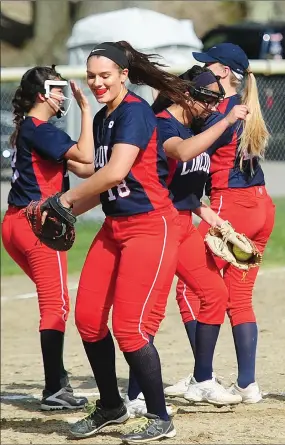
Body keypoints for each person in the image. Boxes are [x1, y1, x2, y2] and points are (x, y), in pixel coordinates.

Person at [60, 41, 191, 443]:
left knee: (130, 329)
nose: (98, 82)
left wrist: (63, 199)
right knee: (86, 320)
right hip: (115, 228)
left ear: (123, 75)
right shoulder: (104, 117)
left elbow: (116, 173)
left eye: (105, 75)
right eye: (92, 76)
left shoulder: (134, 112)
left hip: (151, 227)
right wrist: (62, 212)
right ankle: (111, 406)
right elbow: (106, 188)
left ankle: (159, 416)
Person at [124, 66, 249, 413]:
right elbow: (180, 153)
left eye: (216, 101)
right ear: (185, 96)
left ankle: (202, 380)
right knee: (151, 312)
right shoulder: (163, 124)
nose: (212, 107)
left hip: (182, 225)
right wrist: (225, 122)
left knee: (215, 294)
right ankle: (134, 398)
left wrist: (212, 217)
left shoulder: (190, 126)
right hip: (157, 227)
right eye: (207, 99)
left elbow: (182, 189)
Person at [165, 43, 276, 404]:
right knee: (238, 297)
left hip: (230, 205)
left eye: (209, 66)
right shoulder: (246, 106)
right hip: (262, 205)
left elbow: (191, 152)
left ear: (224, 72)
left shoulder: (219, 111)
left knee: (187, 287)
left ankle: (204, 375)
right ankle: (247, 385)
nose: (203, 71)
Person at [1, 65, 94, 411]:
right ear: (42, 94)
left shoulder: (33, 129)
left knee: (51, 300)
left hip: (14, 224)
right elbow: (84, 156)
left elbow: (84, 168)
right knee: (55, 306)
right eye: (56, 90)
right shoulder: (40, 127)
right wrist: (87, 112)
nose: (62, 96)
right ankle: (54, 388)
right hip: (36, 225)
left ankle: (59, 378)